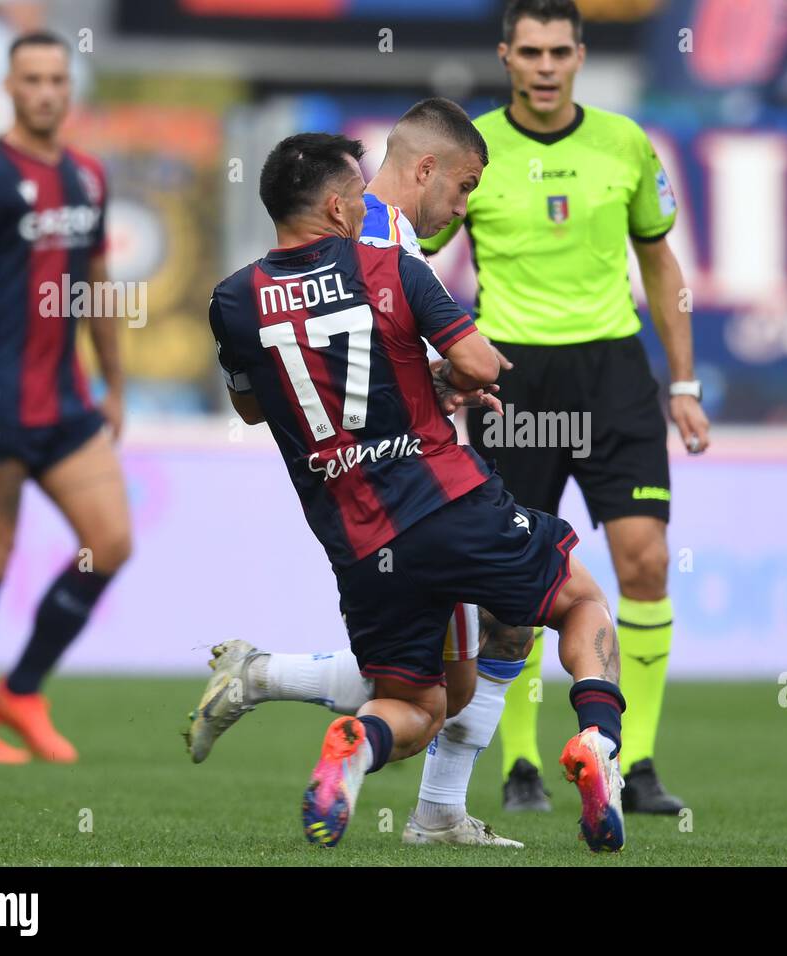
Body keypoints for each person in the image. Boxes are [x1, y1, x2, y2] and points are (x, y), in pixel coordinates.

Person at [206, 131, 629, 851]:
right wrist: (459, 375)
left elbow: (253, 407)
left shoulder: (234, 300)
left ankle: (355, 742)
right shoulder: (390, 266)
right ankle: (598, 741)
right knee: (581, 600)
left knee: (420, 704)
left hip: (360, 541)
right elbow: (476, 360)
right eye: (359, 193)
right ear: (338, 206)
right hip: (446, 501)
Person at [186, 99, 529, 848]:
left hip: (359, 503)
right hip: (417, 488)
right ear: (428, 168)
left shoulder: (322, 258)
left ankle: (263, 680)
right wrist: (449, 378)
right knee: (493, 640)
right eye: (464, 188)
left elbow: (296, 384)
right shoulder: (371, 243)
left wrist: (430, 380)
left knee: (455, 673)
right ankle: (432, 807)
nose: (463, 208)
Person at [419, 0, 711, 813]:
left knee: (646, 560)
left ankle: (635, 761)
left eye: (560, 52)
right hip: (512, 377)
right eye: (530, 52)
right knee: (513, 583)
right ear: (505, 55)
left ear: (580, 55)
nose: (545, 67)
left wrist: (682, 384)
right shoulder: (472, 150)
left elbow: (660, 266)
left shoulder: (624, 141)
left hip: (613, 372)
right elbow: (416, 254)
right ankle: (519, 766)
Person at [0, 30, 130, 764]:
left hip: (69, 403)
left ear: (68, 89)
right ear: (10, 88)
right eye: (32, 79)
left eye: (57, 79)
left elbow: (99, 284)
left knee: (110, 542)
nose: (47, 91)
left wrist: (115, 382)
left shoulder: (87, 178)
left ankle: (24, 688)